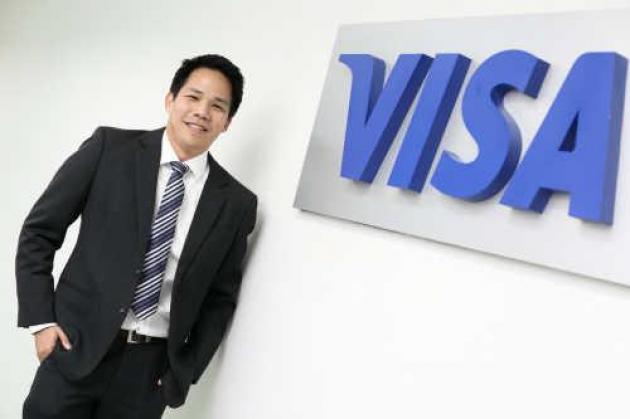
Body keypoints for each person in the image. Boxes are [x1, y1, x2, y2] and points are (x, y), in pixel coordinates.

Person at [15, 54, 258, 418]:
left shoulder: (236, 203)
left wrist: (184, 371)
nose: (202, 112)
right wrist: (41, 322)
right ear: (170, 100)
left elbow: (220, 299)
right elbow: (39, 232)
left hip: (148, 375)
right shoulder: (109, 149)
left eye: (217, 106)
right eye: (193, 97)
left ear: (227, 122)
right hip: (75, 348)